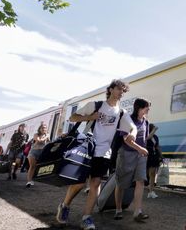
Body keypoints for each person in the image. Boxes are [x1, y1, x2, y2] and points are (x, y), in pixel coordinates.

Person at [55, 79, 136, 230]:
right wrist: (89, 117)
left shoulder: (121, 112)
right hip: (87, 149)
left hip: (104, 152)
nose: (121, 93)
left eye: (123, 91)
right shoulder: (96, 105)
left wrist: (133, 134)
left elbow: (132, 127)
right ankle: (65, 205)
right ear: (111, 89)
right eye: (119, 89)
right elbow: (72, 118)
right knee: (79, 183)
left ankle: (86, 217)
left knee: (96, 183)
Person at [114, 98, 150, 222]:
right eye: (146, 107)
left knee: (140, 181)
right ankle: (118, 209)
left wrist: (143, 150)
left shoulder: (146, 122)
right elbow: (126, 139)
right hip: (126, 154)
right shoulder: (127, 120)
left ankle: (137, 211)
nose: (148, 109)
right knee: (122, 184)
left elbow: (144, 139)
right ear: (139, 108)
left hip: (140, 156)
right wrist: (140, 149)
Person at [26, 122, 50, 188]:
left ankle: (34, 178)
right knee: (32, 166)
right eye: (42, 128)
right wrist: (46, 137)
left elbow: (49, 143)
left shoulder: (47, 135)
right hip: (33, 152)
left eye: (45, 128)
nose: (43, 129)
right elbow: (39, 140)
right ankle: (29, 181)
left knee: (38, 166)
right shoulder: (36, 135)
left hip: (42, 153)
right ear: (39, 129)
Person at [145, 123, 163, 199]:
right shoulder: (145, 136)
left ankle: (151, 191)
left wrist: (161, 156)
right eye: (152, 129)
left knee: (152, 175)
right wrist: (154, 130)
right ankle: (145, 190)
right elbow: (148, 138)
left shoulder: (155, 137)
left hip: (154, 157)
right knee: (145, 175)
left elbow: (157, 146)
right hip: (146, 157)